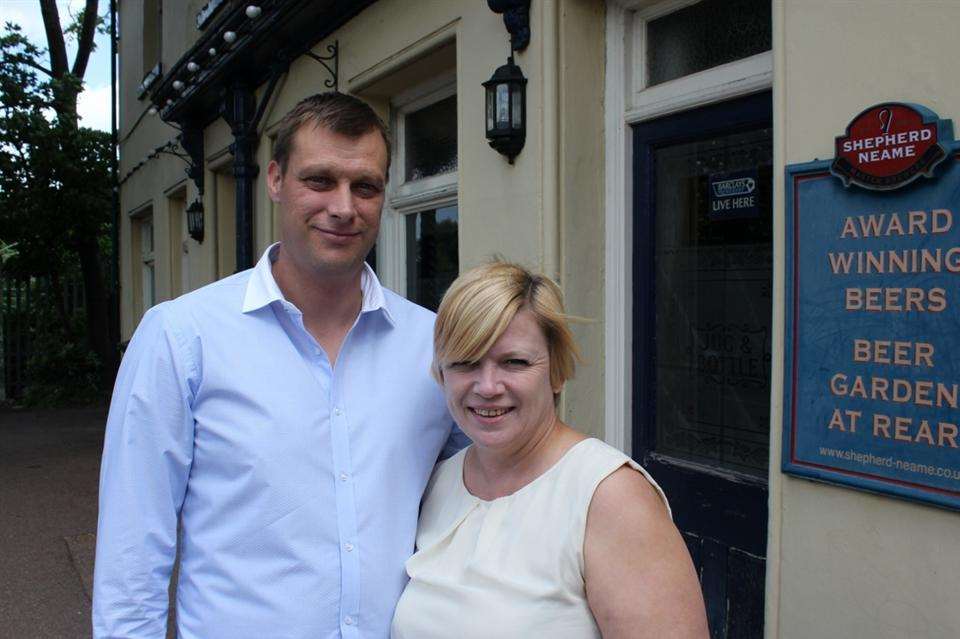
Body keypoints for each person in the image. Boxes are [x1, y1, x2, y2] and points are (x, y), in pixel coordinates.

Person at [93, 92, 466, 639]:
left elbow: (484, 485)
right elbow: (133, 550)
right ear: (274, 180)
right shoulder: (183, 338)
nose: (344, 206)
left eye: (365, 186)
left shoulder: (432, 344)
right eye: (319, 180)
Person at [391, 262, 709, 639]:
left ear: (557, 372)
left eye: (514, 362)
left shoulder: (609, 497)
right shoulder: (438, 483)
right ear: (441, 376)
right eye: (465, 362)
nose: (488, 386)